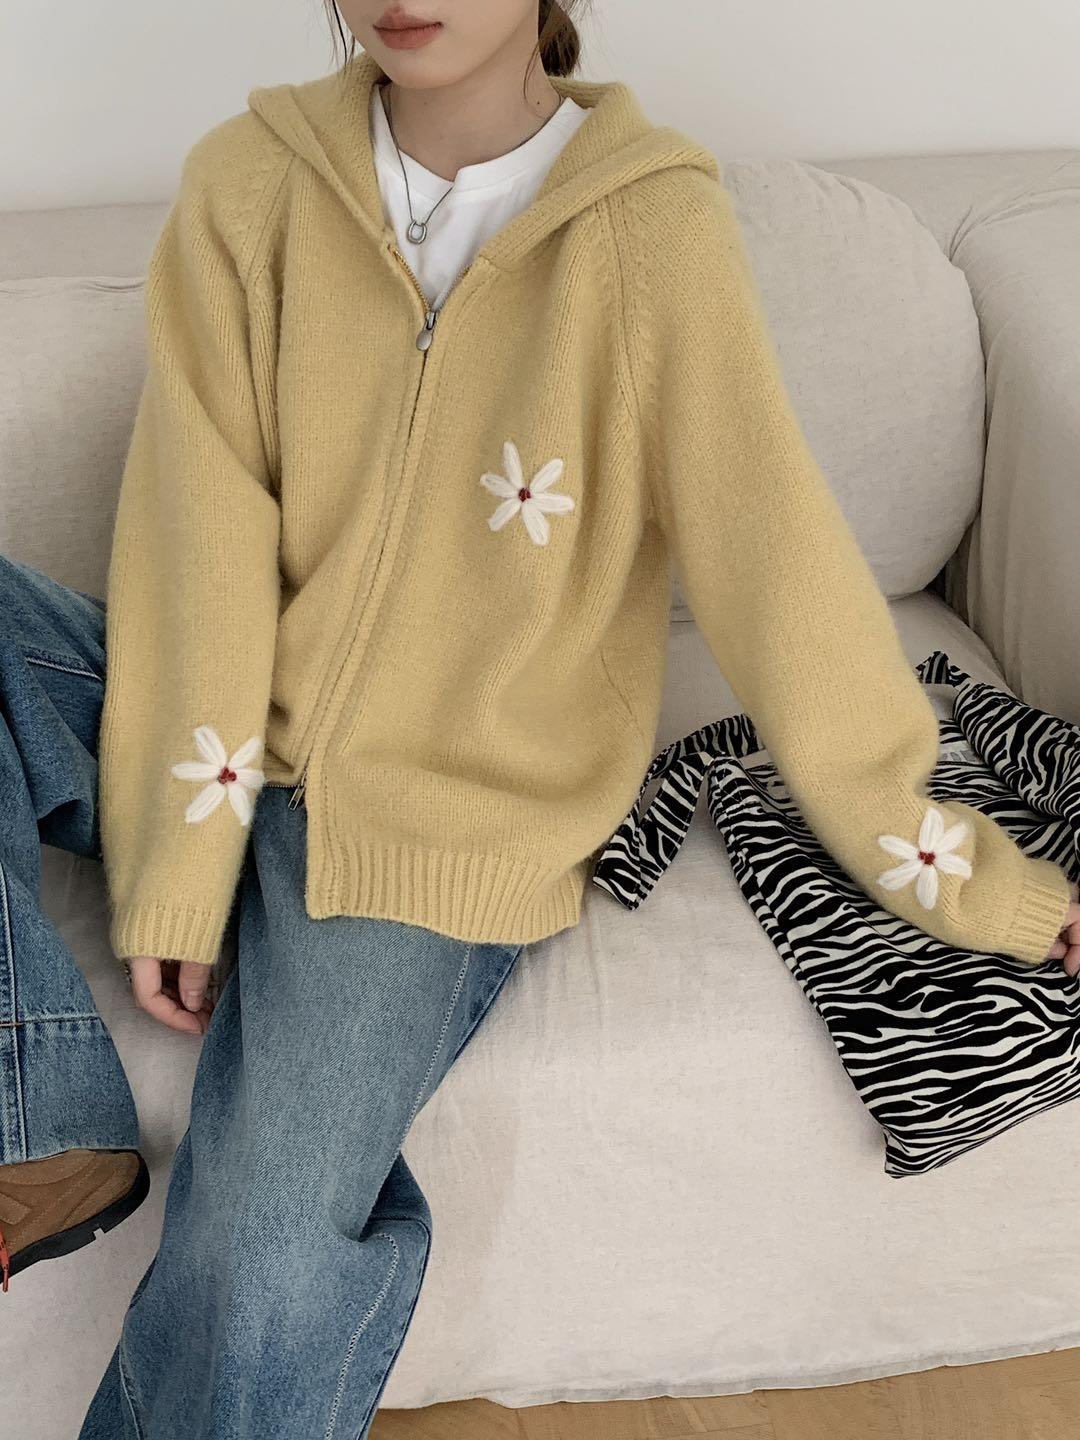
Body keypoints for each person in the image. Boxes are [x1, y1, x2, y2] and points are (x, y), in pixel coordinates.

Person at [1, 1, 1077, 1435]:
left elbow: (777, 567)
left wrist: (958, 872)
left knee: (263, 1247)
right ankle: (42, 1126)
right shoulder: (249, 185)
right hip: (215, 729)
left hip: (444, 815)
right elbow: (196, 529)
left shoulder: (648, 227)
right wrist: (180, 863)